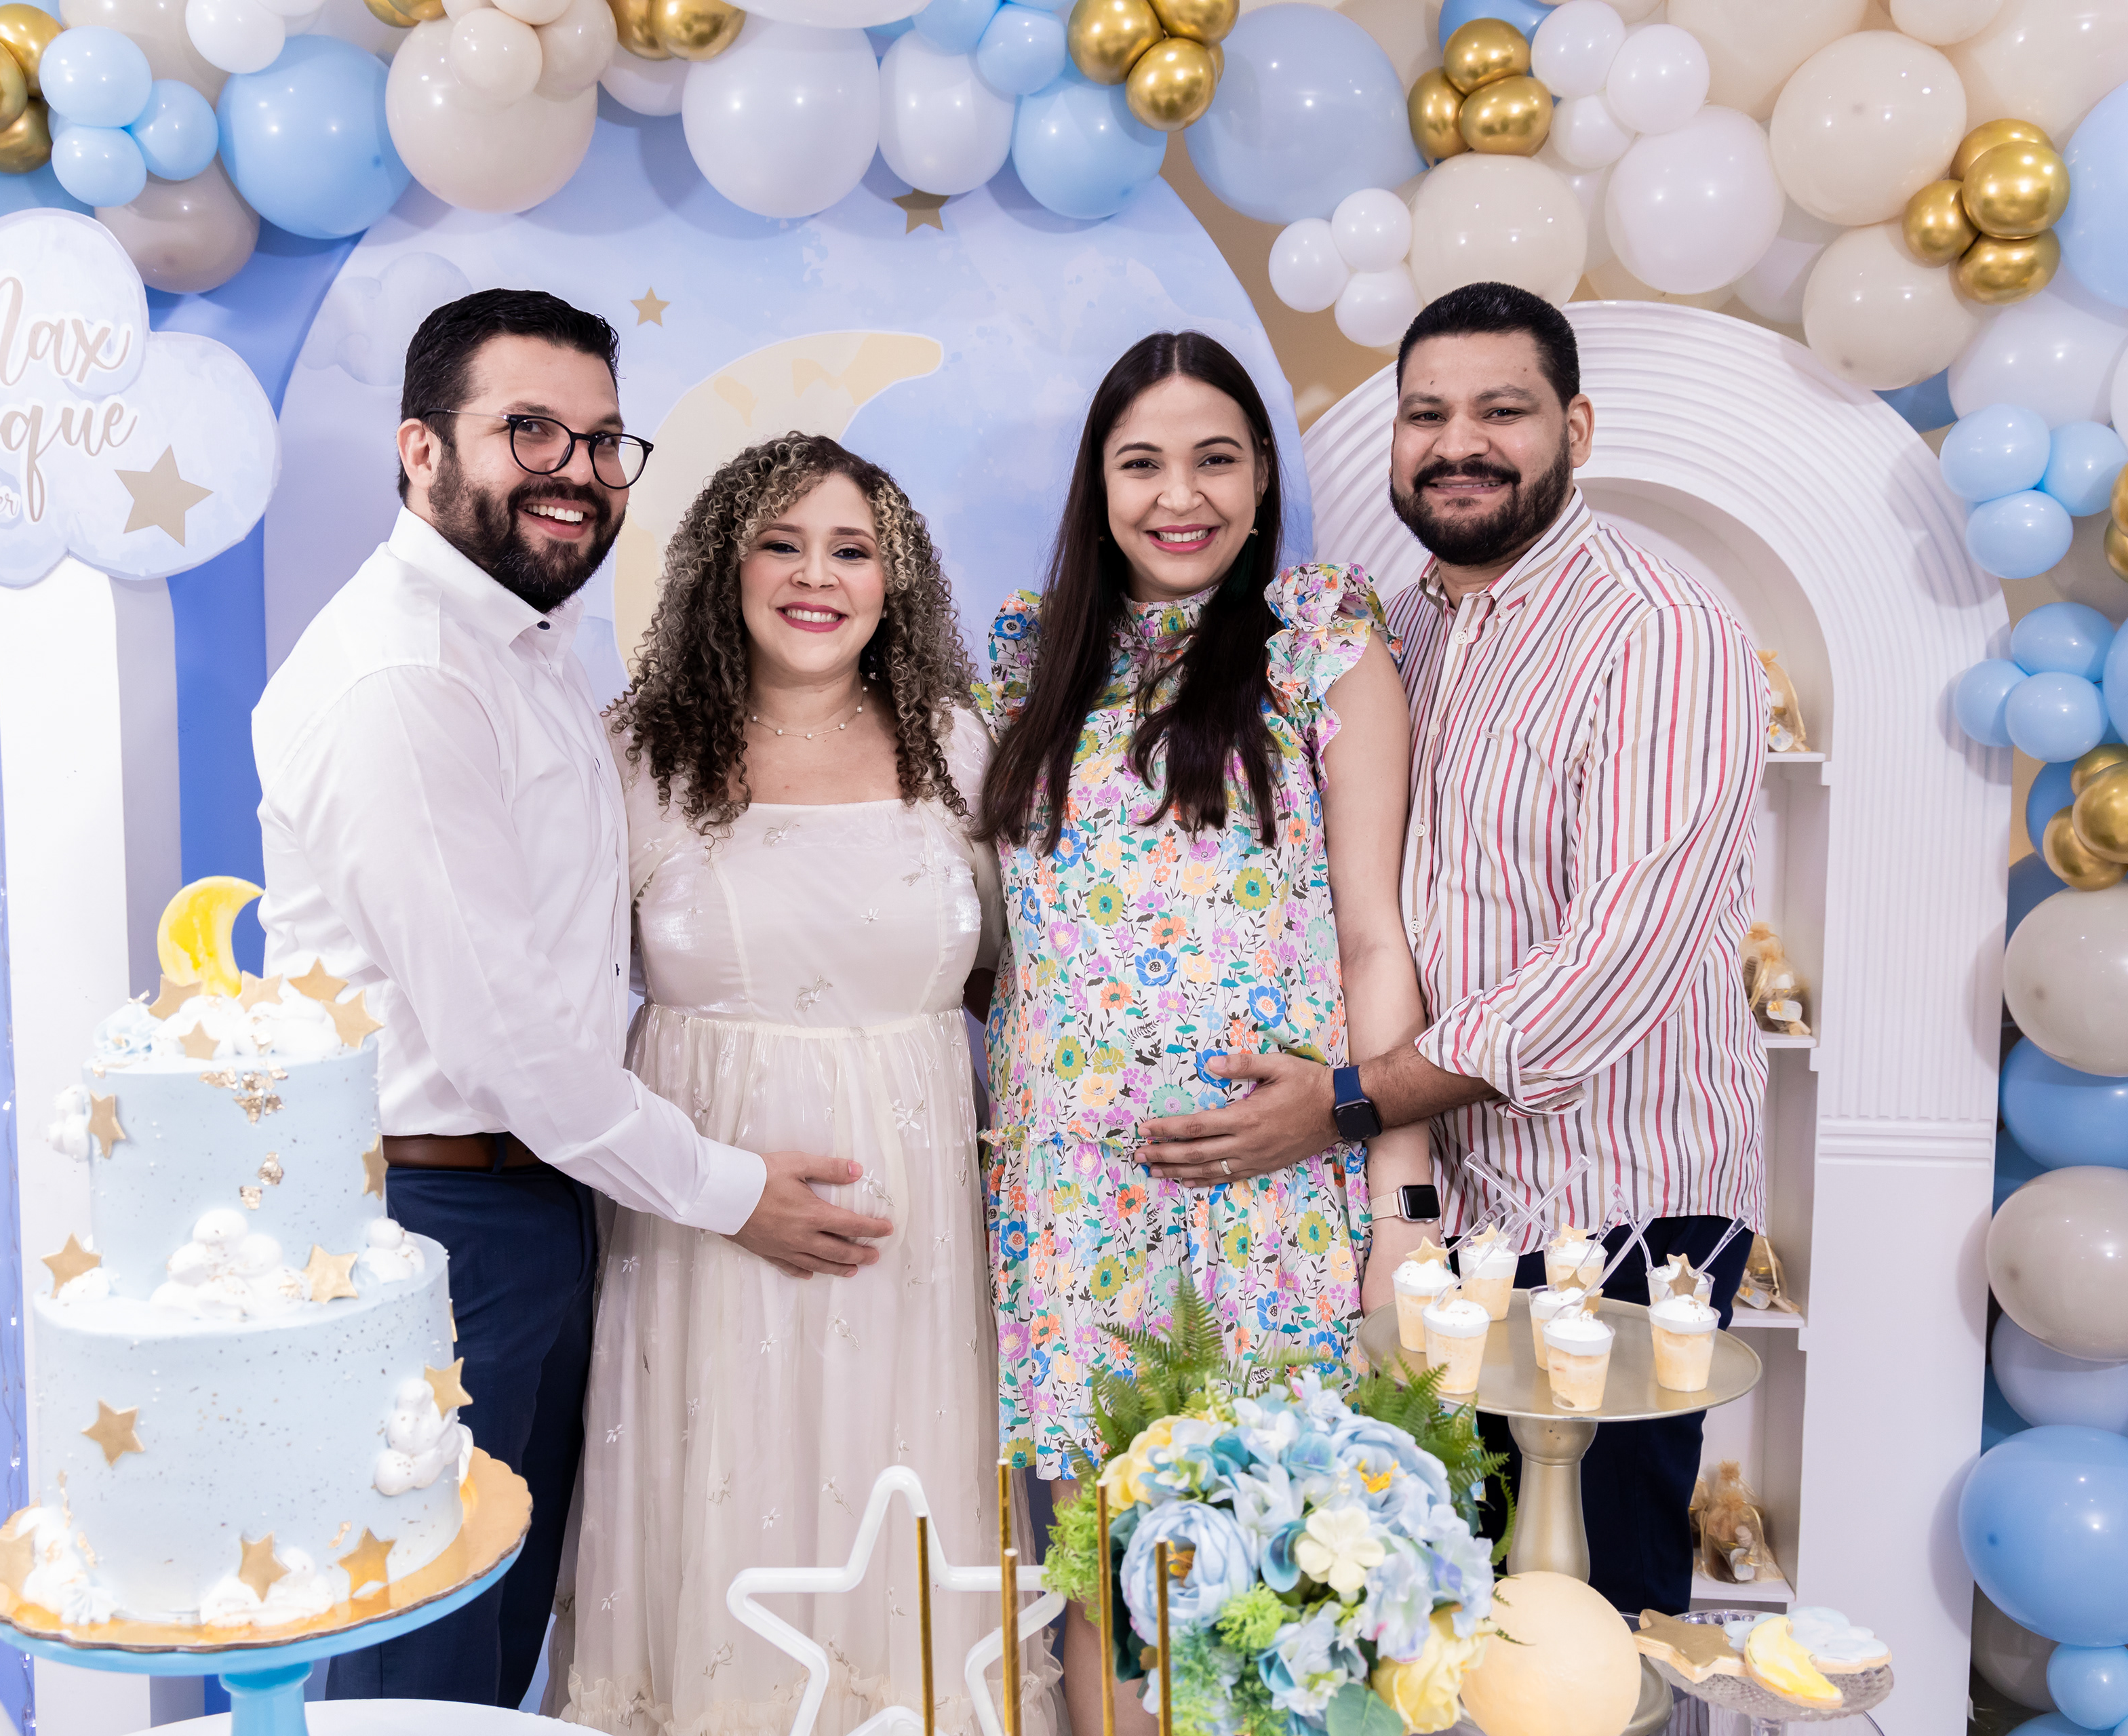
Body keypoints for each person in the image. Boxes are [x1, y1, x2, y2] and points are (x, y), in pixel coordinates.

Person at [252, 290, 894, 1707]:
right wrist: (733, 1188)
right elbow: (503, 1042)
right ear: (422, 448)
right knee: (415, 1668)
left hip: (536, 1206)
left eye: (605, 441)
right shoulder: (405, 676)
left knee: (487, 1656)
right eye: (529, 430)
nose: (578, 471)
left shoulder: (526, 649)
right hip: (434, 1225)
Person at [1139, 282, 1768, 1619]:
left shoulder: (1659, 628)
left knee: (1586, 1621)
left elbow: (1612, 969)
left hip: (1615, 1209)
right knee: (1432, 1607)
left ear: (1575, 428)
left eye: (1501, 411)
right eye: (1426, 414)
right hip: (1435, 1207)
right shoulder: (1397, 631)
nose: (1457, 444)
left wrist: (1344, 1101)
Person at [562, 432, 1060, 1735]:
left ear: (897, 581)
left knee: (904, 1521)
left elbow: (1023, 977)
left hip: (918, 1237)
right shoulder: (635, 754)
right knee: (725, 1506)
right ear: (721, 569)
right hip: (700, 1226)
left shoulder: (959, 745)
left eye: (851, 549)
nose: (816, 576)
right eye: (780, 544)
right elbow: (554, 1010)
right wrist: (718, 1190)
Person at [977, 330, 1426, 1733]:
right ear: (1098, 484)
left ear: (1264, 476)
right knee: (1105, 1585)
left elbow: (1375, 936)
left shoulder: (1318, 644)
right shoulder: (1026, 662)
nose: (1182, 496)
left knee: (1272, 1584)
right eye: (1144, 463)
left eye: (1216, 458)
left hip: (1267, 1198)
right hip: (1074, 1205)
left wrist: (1401, 1205)